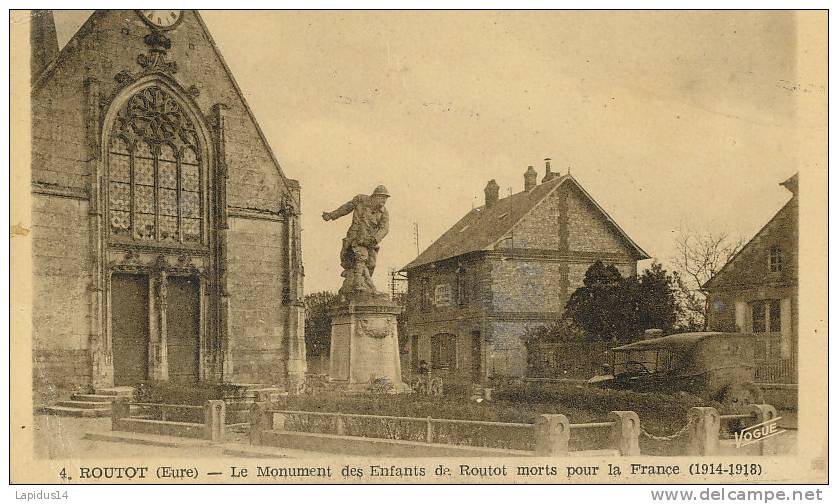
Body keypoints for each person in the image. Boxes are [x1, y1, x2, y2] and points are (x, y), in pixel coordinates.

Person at [322, 185, 390, 298]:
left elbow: (385, 228)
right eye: (382, 197)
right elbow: (346, 208)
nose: (384, 200)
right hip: (356, 238)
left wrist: (375, 238)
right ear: (375, 196)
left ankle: (365, 285)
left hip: (370, 242)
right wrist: (331, 215)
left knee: (371, 264)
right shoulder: (360, 200)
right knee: (361, 257)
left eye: (386, 198)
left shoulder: (384, 212)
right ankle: (358, 284)